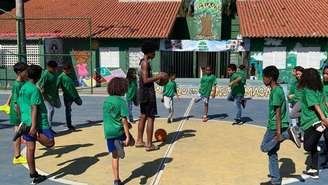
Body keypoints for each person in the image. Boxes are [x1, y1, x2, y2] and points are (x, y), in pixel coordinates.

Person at [14, 65, 55, 184]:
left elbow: (17, 105)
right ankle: (34, 134)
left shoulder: (23, 88)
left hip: (26, 122)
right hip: (39, 123)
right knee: (50, 142)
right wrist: (33, 127)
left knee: (30, 149)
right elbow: (34, 108)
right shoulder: (34, 89)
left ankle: (34, 174)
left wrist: (21, 120)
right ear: (39, 76)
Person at [260, 65, 301, 185]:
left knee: (264, 147)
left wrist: (279, 133)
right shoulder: (277, 89)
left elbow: (278, 112)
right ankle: (275, 180)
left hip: (275, 126)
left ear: (270, 78)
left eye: (264, 77)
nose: (263, 80)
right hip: (278, 125)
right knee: (272, 153)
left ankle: (287, 134)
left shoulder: (276, 92)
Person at [103, 77, 134, 185]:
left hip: (108, 132)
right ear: (122, 88)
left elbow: (110, 117)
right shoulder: (121, 102)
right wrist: (127, 136)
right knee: (132, 142)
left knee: (114, 156)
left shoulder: (106, 101)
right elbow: (123, 120)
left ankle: (116, 180)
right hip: (119, 131)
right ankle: (121, 143)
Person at [136, 41, 166, 151]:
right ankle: (149, 144)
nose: (155, 54)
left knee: (143, 115)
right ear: (149, 52)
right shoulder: (145, 63)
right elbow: (145, 80)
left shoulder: (142, 62)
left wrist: (156, 79)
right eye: (154, 52)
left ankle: (139, 140)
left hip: (143, 93)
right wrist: (159, 76)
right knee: (150, 117)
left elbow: (148, 77)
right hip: (147, 94)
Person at [299, 68, 328, 179]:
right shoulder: (319, 88)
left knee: (307, 146)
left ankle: (296, 134)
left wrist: (323, 120)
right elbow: (325, 102)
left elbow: (316, 105)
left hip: (311, 121)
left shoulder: (308, 90)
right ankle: (314, 170)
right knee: (313, 147)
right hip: (316, 120)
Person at [10, 62, 28, 165]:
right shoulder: (17, 84)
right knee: (18, 133)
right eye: (25, 71)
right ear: (19, 72)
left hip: (21, 110)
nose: (27, 72)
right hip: (17, 112)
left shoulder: (23, 82)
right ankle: (17, 156)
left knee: (19, 133)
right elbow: (16, 103)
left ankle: (21, 144)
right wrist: (20, 116)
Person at [57, 63, 82, 130]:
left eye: (69, 70)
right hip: (67, 96)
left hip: (74, 94)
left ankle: (69, 123)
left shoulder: (70, 75)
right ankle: (69, 124)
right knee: (68, 110)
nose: (68, 71)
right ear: (64, 70)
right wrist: (55, 95)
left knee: (80, 103)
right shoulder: (61, 77)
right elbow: (56, 86)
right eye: (67, 70)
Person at [38, 60, 61, 133]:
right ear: (48, 67)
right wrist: (44, 95)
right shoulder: (45, 74)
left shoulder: (55, 73)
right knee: (50, 110)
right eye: (52, 68)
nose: (54, 69)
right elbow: (40, 85)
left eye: (55, 68)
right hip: (46, 97)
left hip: (53, 95)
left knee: (58, 106)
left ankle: (46, 126)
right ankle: (48, 128)